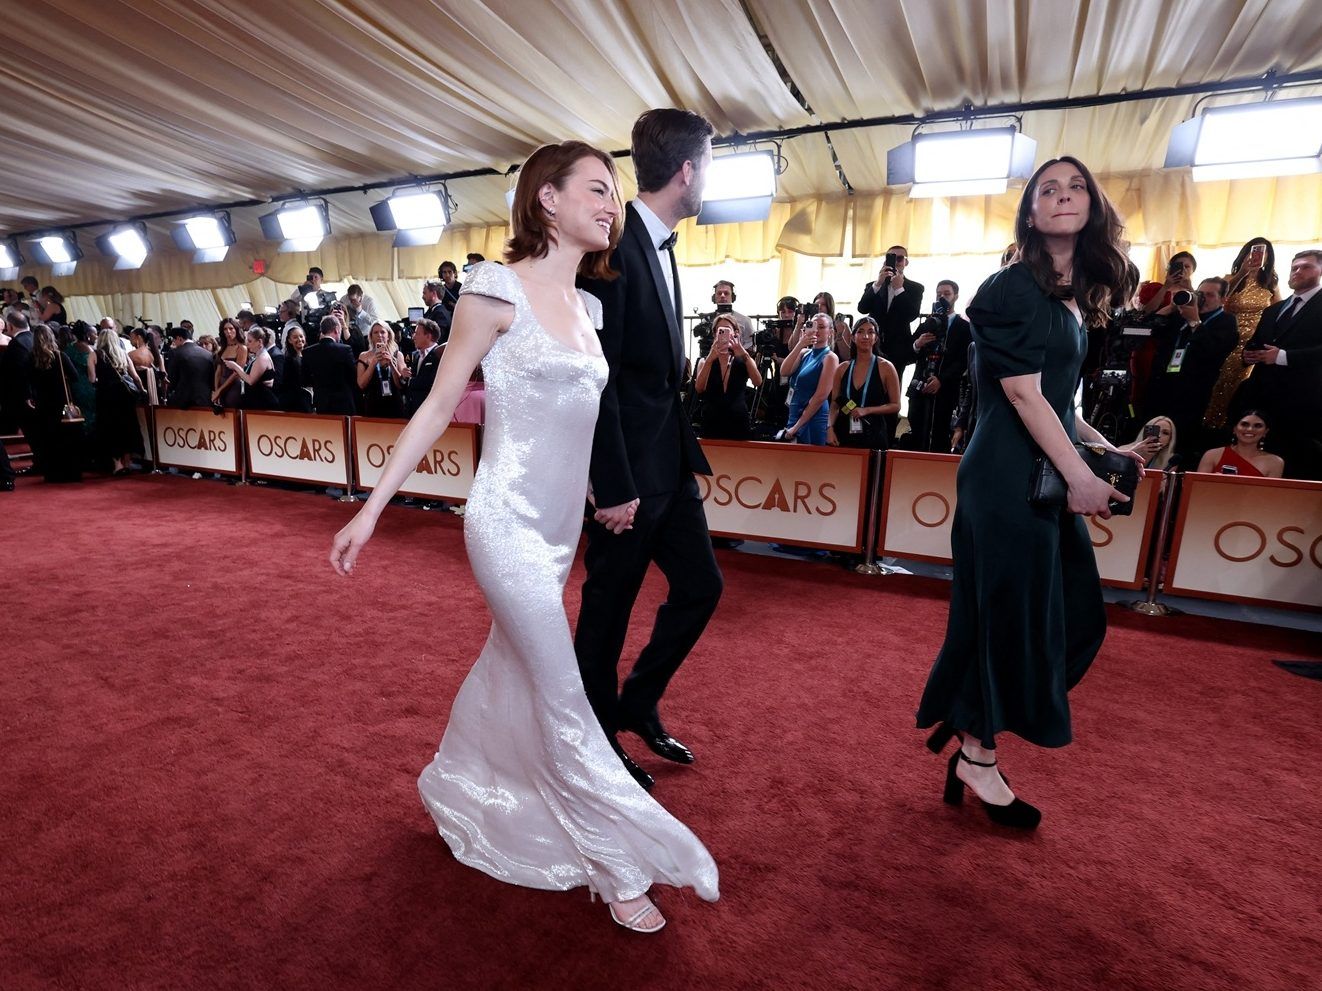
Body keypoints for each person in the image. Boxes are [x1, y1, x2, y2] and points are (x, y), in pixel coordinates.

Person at [329, 139, 717, 934]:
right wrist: (371, 510)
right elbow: (437, 407)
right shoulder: (494, 291)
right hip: (502, 523)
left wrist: (600, 489)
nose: (612, 204)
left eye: (615, 193)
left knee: (515, 673)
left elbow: (578, 417)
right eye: (598, 190)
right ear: (548, 198)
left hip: (557, 531)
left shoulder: (595, 306)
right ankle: (619, 866)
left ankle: (460, 787)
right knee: (566, 694)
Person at [916, 156, 1143, 829]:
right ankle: (977, 756)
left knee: (1071, 614)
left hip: (1041, 469)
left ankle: (970, 727)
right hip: (1006, 478)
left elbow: (1058, 400)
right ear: (1031, 212)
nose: (1064, 196)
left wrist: (1104, 448)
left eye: (1077, 187)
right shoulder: (1011, 287)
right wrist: (1079, 475)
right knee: (1011, 617)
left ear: (1093, 207)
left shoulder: (1069, 297)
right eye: (1049, 188)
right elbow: (1019, 392)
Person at [574, 108, 723, 796]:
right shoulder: (613, 245)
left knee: (702, 588)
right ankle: (597, 741)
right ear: (688, 171)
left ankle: (638, 700)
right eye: (709, 166)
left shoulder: (658, 244)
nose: (707, 181)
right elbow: (593, 376)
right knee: (606, 614)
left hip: (669, 467)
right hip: (627, 478)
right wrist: (610, 483)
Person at [1229, 249, 1322, 480]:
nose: (1298, 271)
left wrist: (1283, 357)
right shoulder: (1273, 309)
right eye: (1294, 267)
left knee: (1294, 465)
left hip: (1303, 402)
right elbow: (1256, 343)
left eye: (1306, 267)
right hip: (1263, 401)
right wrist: (1249, 355)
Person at [1138, 277, 1237, 466]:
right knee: (1149, 438)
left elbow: (1213, 351)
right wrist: (1171, 308)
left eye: (1210, 295)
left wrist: (1194, 322)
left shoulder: (1226, 322)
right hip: (1162, 388)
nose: (1203, 299)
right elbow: (1148, 329)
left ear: (1223, 299)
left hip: (1191, 394)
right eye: (1200, 294)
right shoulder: (1179, 316)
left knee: (1179, 444)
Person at [1204, 237, 1279, 432]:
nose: (1257, 257)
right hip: (1229, 341)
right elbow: (1220, 299)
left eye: (1263, 253)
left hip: (1254, 346)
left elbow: (1277, 311)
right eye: (1252, 252)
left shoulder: (1271, 283)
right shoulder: (1230, 278)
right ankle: (1210, 429)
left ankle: (1237, 431)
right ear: (1245, 254)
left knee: (1245, 391)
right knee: (1219, 386)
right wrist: (1243, 273)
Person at [906, 280, 972, 452]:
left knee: (940, 434)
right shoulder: (927, 324)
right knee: (917, 433)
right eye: (938, 294)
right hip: (920, 389)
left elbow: (964, 360)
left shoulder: (964, 327)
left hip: (946, 391)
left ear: (955, 296)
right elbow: (908, 355)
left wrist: (941, 379)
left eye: (947, 293)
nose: (942, 297)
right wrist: (917, 344)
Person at [826, 316, 899, 449]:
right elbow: (835, 404)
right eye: (860, 331)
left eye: (870, 332)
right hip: (843, 433)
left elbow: (895, 405)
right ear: (853, 337)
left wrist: (867, 410)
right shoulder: (842, 368)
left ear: (876, 338)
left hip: (873, 434)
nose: (865, 336)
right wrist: (829, 428)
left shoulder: (886, 367)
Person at [857, 245, 923, 381]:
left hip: (899, 348)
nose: (895, 262)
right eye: (891, 258)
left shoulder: (915, 288)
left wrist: (899, 289)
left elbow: (912, 315)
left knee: (893, 390)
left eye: (899, 259)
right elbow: (862, 308)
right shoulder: (873, 285)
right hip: (873, 345)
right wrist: (878, 284)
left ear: (906, 262)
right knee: (870, 386)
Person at [27, 323, 83, 482]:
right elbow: (75, 376)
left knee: (48, 439)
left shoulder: (32, 358)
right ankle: (71, 472)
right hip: (61, 401)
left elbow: (30, 380)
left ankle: (52, 473)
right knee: (67, 439)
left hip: (43, 404)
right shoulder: (60, 356)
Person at [693, 315, 761, 439]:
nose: (723, 334)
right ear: (715, 334)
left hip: (739, 421)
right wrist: (709, 359)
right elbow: (699, 388)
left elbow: (758, 382)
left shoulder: (744, 359)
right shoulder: (705, 361)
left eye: (727, 330)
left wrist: (743, 353)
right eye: (720, 330)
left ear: (735, 333)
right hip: (711, 422)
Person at [778, 312, 839, 444]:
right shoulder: (804, 352)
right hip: (795, 411)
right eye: (813, 325)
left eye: (822, 327)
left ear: (830, 332)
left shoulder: (830, 357)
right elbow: (784, 371)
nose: (816, 330)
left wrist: (797, 426)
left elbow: (820, 396)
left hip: (813, 416)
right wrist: (800, 344)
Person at [92, 328, 145, 474]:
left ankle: (117, 464)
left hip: (106, 397)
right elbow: (135, 377)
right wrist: (142, 390)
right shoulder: (123, 354)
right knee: (127, 428)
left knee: (111, 429)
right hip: (124, 397)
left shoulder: (95, 354)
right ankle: (127, 462)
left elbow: (91, 378)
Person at [1194, 409, 1284, 478]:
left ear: (1265, 432)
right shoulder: (1212, 455)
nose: (1250, 429)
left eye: (1257, 426)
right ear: (1234, 429)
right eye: (1244, 424)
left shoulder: (1275, 462)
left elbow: (1269, 497)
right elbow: (1196, 490)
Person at [301, 315, 357, 415]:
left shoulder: (308, 352)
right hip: (343, 402)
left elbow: (305, 379)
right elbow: (353, 376)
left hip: (321, 401)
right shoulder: (345, 349)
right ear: (336, 330)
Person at [355, 321, 406, 418]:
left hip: (394, 404)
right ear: (371, 336)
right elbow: (361, 384)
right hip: (373, 405)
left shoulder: (397, 355)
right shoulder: (364, 356)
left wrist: (392, 364)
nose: (379, 335)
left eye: (382, 332)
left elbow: (401, 384)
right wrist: (373, 363)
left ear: (388, 335)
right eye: (376, 332)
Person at [225, 329, 279, 410]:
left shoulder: (262, 358)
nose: (247, 344)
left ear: (259, 342)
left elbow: (250, 380)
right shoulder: (259, 356)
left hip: (262, 403)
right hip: (256, 401)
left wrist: (235, 366)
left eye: (250, 341)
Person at [400, 318, 443, 419]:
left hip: (430, 414)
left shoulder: (440, 355)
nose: (413, 337)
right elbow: (406, 384)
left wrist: (411, 381)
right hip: (412, 412)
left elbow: (431, 382)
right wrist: (404, 377)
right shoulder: (415, 356)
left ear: (428, 336)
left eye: (417, 334)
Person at [164, 326, 214, 409]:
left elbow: (172, 378)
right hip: (205, 398)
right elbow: (211, 378)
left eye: (174, 340)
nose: (173, 343)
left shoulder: (175, 353)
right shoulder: (208, 354)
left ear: (179, 338)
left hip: (183, 400)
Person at [65, 321, 98, 434]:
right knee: (92, 415)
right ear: (88, 335)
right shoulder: (90, 351)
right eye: (95, 334)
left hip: (74, 386)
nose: (96, 336)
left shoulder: (69, 348)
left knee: (81, 413)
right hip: (89, 386)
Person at [277, 326, 314, 413]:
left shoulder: (309, 355)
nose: (299, 339)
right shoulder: (289, 359)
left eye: (301, 336)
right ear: (289, 340)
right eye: (295, 337)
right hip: (295, 404)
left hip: (307, 399)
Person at [709, 280, 754, 349]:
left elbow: (750, 342)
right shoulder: (707, 320)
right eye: (719, 293)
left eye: (726, 293)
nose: (722, 296)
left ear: (732, 297)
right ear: (714, 297)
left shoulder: (745, 320)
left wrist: (738, 352)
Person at [127, 326, 165, 406]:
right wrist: (164, 396)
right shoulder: (157, 354)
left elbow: (135, 377)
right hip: (157, 393)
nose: (130, 340)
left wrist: (142, 389)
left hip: (141, 394)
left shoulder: (131, 355)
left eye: (131, 337)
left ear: (138, 337)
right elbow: (164, 377)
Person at [212, 318, 245, 408]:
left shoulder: (241, 348)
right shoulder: (222, 348)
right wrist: (216, 389)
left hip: (234, 386)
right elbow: (218, 372)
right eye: (225, 329)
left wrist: (220, 390)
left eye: (231, 328)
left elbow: (237, 373)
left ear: (236, 330)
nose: (228, 331)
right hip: (221, 385)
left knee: (232, 413)